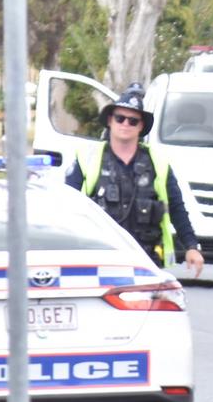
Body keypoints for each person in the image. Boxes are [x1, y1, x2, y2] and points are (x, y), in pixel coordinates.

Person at [66, 84, 204, 277]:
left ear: (141, 127)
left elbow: (176, 208)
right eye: (120, 118)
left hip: (146, 260)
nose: (125, 124)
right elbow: (67, 205)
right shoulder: (87, 158)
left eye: (133, 121)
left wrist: (191, 246)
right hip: (100, 257)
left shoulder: (158, 163)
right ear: (110, 121)